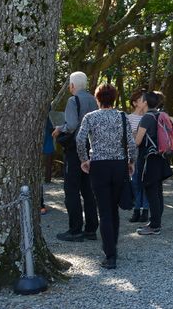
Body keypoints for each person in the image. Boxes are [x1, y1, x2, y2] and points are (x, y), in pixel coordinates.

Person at [77, 83, 137, 270]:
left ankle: (110, 255)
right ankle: (113, 248)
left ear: (97, 98)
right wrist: (131, 161)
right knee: (113, 209)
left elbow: (80, 140)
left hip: (99, 166)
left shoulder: (90, 117)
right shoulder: (121, 116)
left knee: (103, 210)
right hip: (118, 165)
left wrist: (84, 160)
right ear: (114, 98)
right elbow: (132, 144)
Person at [52, 71, 99, 242]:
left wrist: (59, 128)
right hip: (90, 147)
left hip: (74, 149)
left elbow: (71, 125)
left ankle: (75, 229)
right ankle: (91, 229)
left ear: (72, 85)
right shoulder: (94, 100)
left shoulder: (73, 100)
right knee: (88, 190)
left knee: (71, 190)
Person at [134, 90, 173, 236]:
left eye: (141, 99)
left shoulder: (146, 118)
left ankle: (154, 226)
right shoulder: (160, 115)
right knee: (158, 192)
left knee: (151, 192)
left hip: (149, 159)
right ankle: (156, 222)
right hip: (160, 157)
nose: (139, 102)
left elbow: (137, 141)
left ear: (145, 102)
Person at [126, 88, 149, 224]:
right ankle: (136, 210)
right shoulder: (128, 118)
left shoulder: (149, 117)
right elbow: (127, 138)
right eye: (141, 99)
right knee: (135, 183)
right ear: (135, 103)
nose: (144, 101)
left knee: (145, 182)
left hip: (146, 155)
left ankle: (145, 210)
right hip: (134, 155)